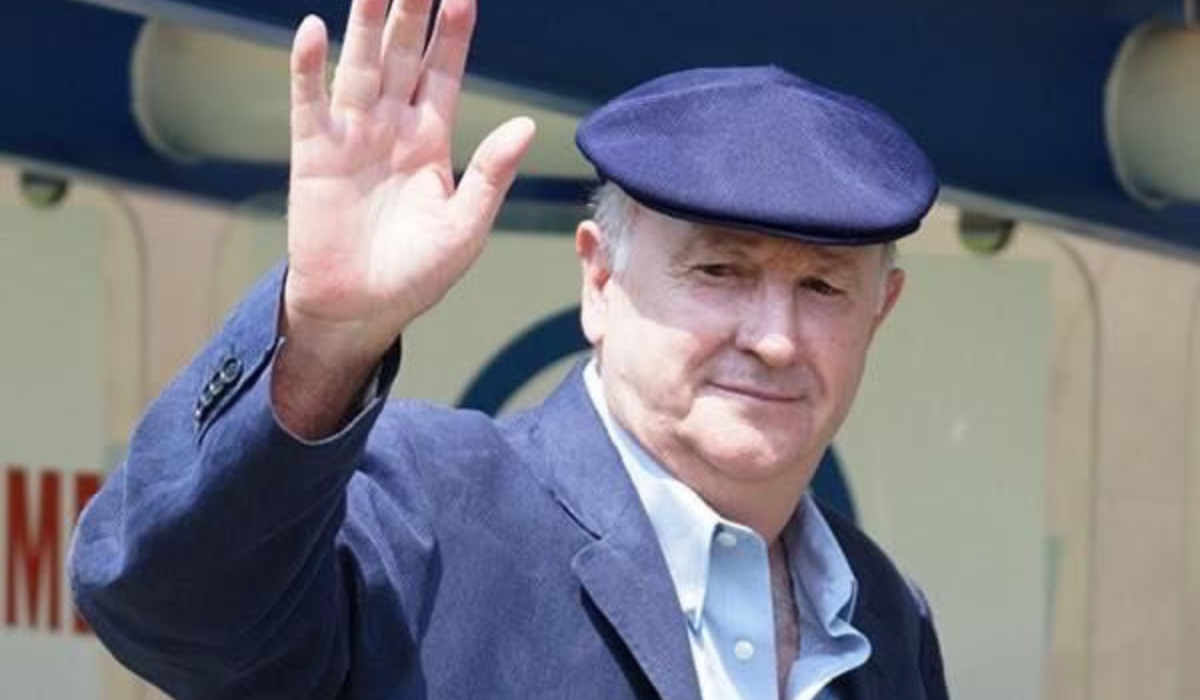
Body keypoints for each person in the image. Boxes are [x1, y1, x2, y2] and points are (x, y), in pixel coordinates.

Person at [69, 0, 949, 698]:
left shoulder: (881, 613)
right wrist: (325, 338)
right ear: (599, 279)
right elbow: (167, 608)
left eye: (823, 288)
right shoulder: (421, 510)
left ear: (881, 311)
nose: (774, 339)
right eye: (720, 270)